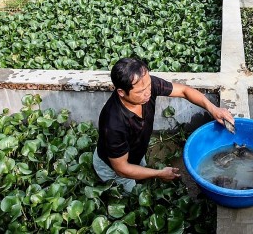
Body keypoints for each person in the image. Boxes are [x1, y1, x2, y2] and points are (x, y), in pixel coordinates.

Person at [93, 57, 234, 192]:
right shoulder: (113, 123)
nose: (148, 92)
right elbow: (122, 168)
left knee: (142, 177)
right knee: (132, 196)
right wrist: (159, 173)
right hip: (114, 169)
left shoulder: (146, 85)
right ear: (121, 92)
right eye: (141, 92)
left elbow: (184, 91)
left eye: (148, 85)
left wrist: (213, 109)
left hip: (134, 152)